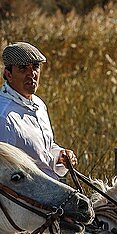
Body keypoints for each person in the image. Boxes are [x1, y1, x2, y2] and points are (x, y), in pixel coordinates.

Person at [0, 42, 75, 178]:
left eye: (35, 67)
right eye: (23, 69)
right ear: (8, 74)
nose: (32, 74)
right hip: (27, 197)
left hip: (52, 189)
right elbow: (5, 174)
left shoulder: (39, 104)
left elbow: (44, 149)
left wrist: (60, 155)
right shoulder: (3, 116)